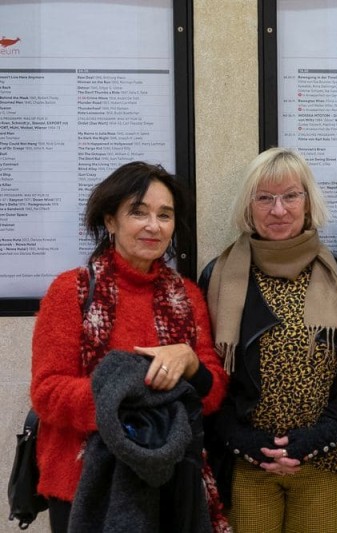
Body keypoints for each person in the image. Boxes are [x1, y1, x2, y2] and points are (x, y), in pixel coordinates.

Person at [30, 162, 229, 533]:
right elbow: (48, 392)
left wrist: (188, 363)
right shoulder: (70, 291)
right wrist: (134, 394)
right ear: (110, 221)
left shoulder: (187, 297)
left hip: (170, 481)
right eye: (138, 212)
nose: (153, 225)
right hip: (85, 486)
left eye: (164, 215)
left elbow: (213, 390)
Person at [201, 147, 337, 533]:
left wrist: (319, 436)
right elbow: (206, 372)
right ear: (249, 206)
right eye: (265, 198)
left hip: (322, 461)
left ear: (308, 203)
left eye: (291, 195)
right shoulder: (218, 277)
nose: (278, 210)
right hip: (246, 463)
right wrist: (243, 440)